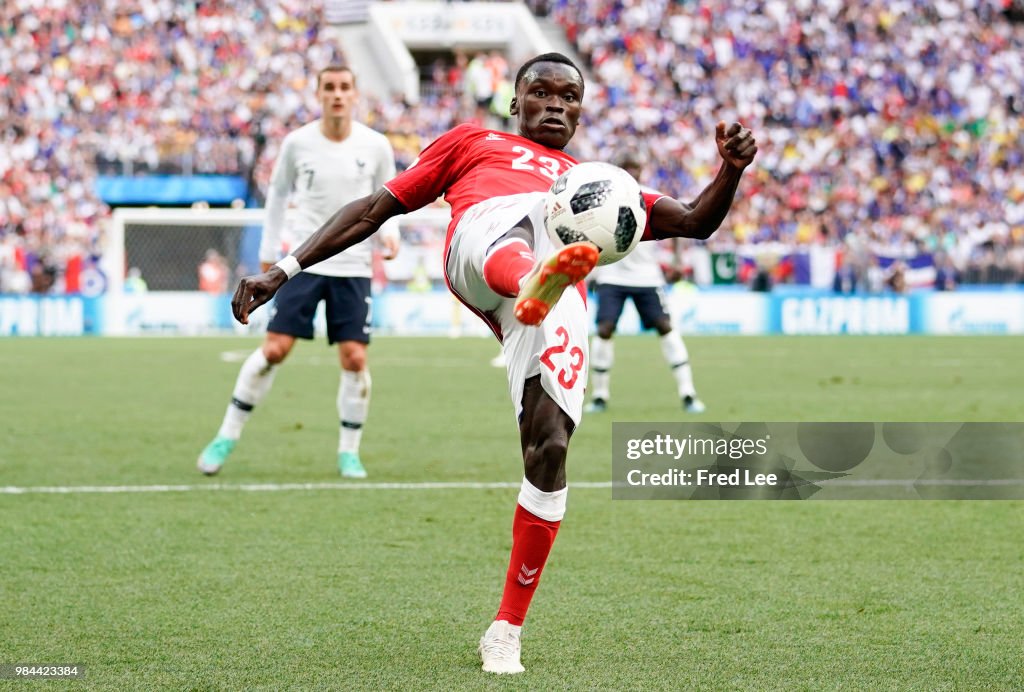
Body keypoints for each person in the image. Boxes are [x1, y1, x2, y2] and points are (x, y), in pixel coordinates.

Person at [230, 53, 757, 674]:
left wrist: (730, 170)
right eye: (542, 93)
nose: (556, 105)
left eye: (570, 97)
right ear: (514, 101)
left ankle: (505, 629)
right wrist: (281, 272)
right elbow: (374, 211)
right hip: (485, 248)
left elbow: (695, 220)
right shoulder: (472, 142)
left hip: (550, 298)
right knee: (529, 220)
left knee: (551, 450)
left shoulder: (598, 184)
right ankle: (534, 274)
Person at [197, 65, 400, 479]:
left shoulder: (376, 145)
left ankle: (349, 452)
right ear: (319, 94)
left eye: (345, 87)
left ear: (355, 93)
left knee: (355, 357)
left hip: (354, 264)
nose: (337, 95)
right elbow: (277, 195)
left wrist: (391, 234)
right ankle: (226, 436)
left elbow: (390, 196)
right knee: (274, 349)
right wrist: (271, 250)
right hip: (301, 262)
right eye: (330, 88)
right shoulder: (297, 143)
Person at [584, 148, 705, 415]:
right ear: (615, 168)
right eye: (625, 165)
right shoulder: (601, 197)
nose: (631, 171)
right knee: (604, 329)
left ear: (642, 169)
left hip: (646, 277)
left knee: (665, 326)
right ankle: (600, 395)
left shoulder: (649, 195)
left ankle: (688, 393)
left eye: (635, 166)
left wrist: (674, 259)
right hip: (611, 275)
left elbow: (678, 221)